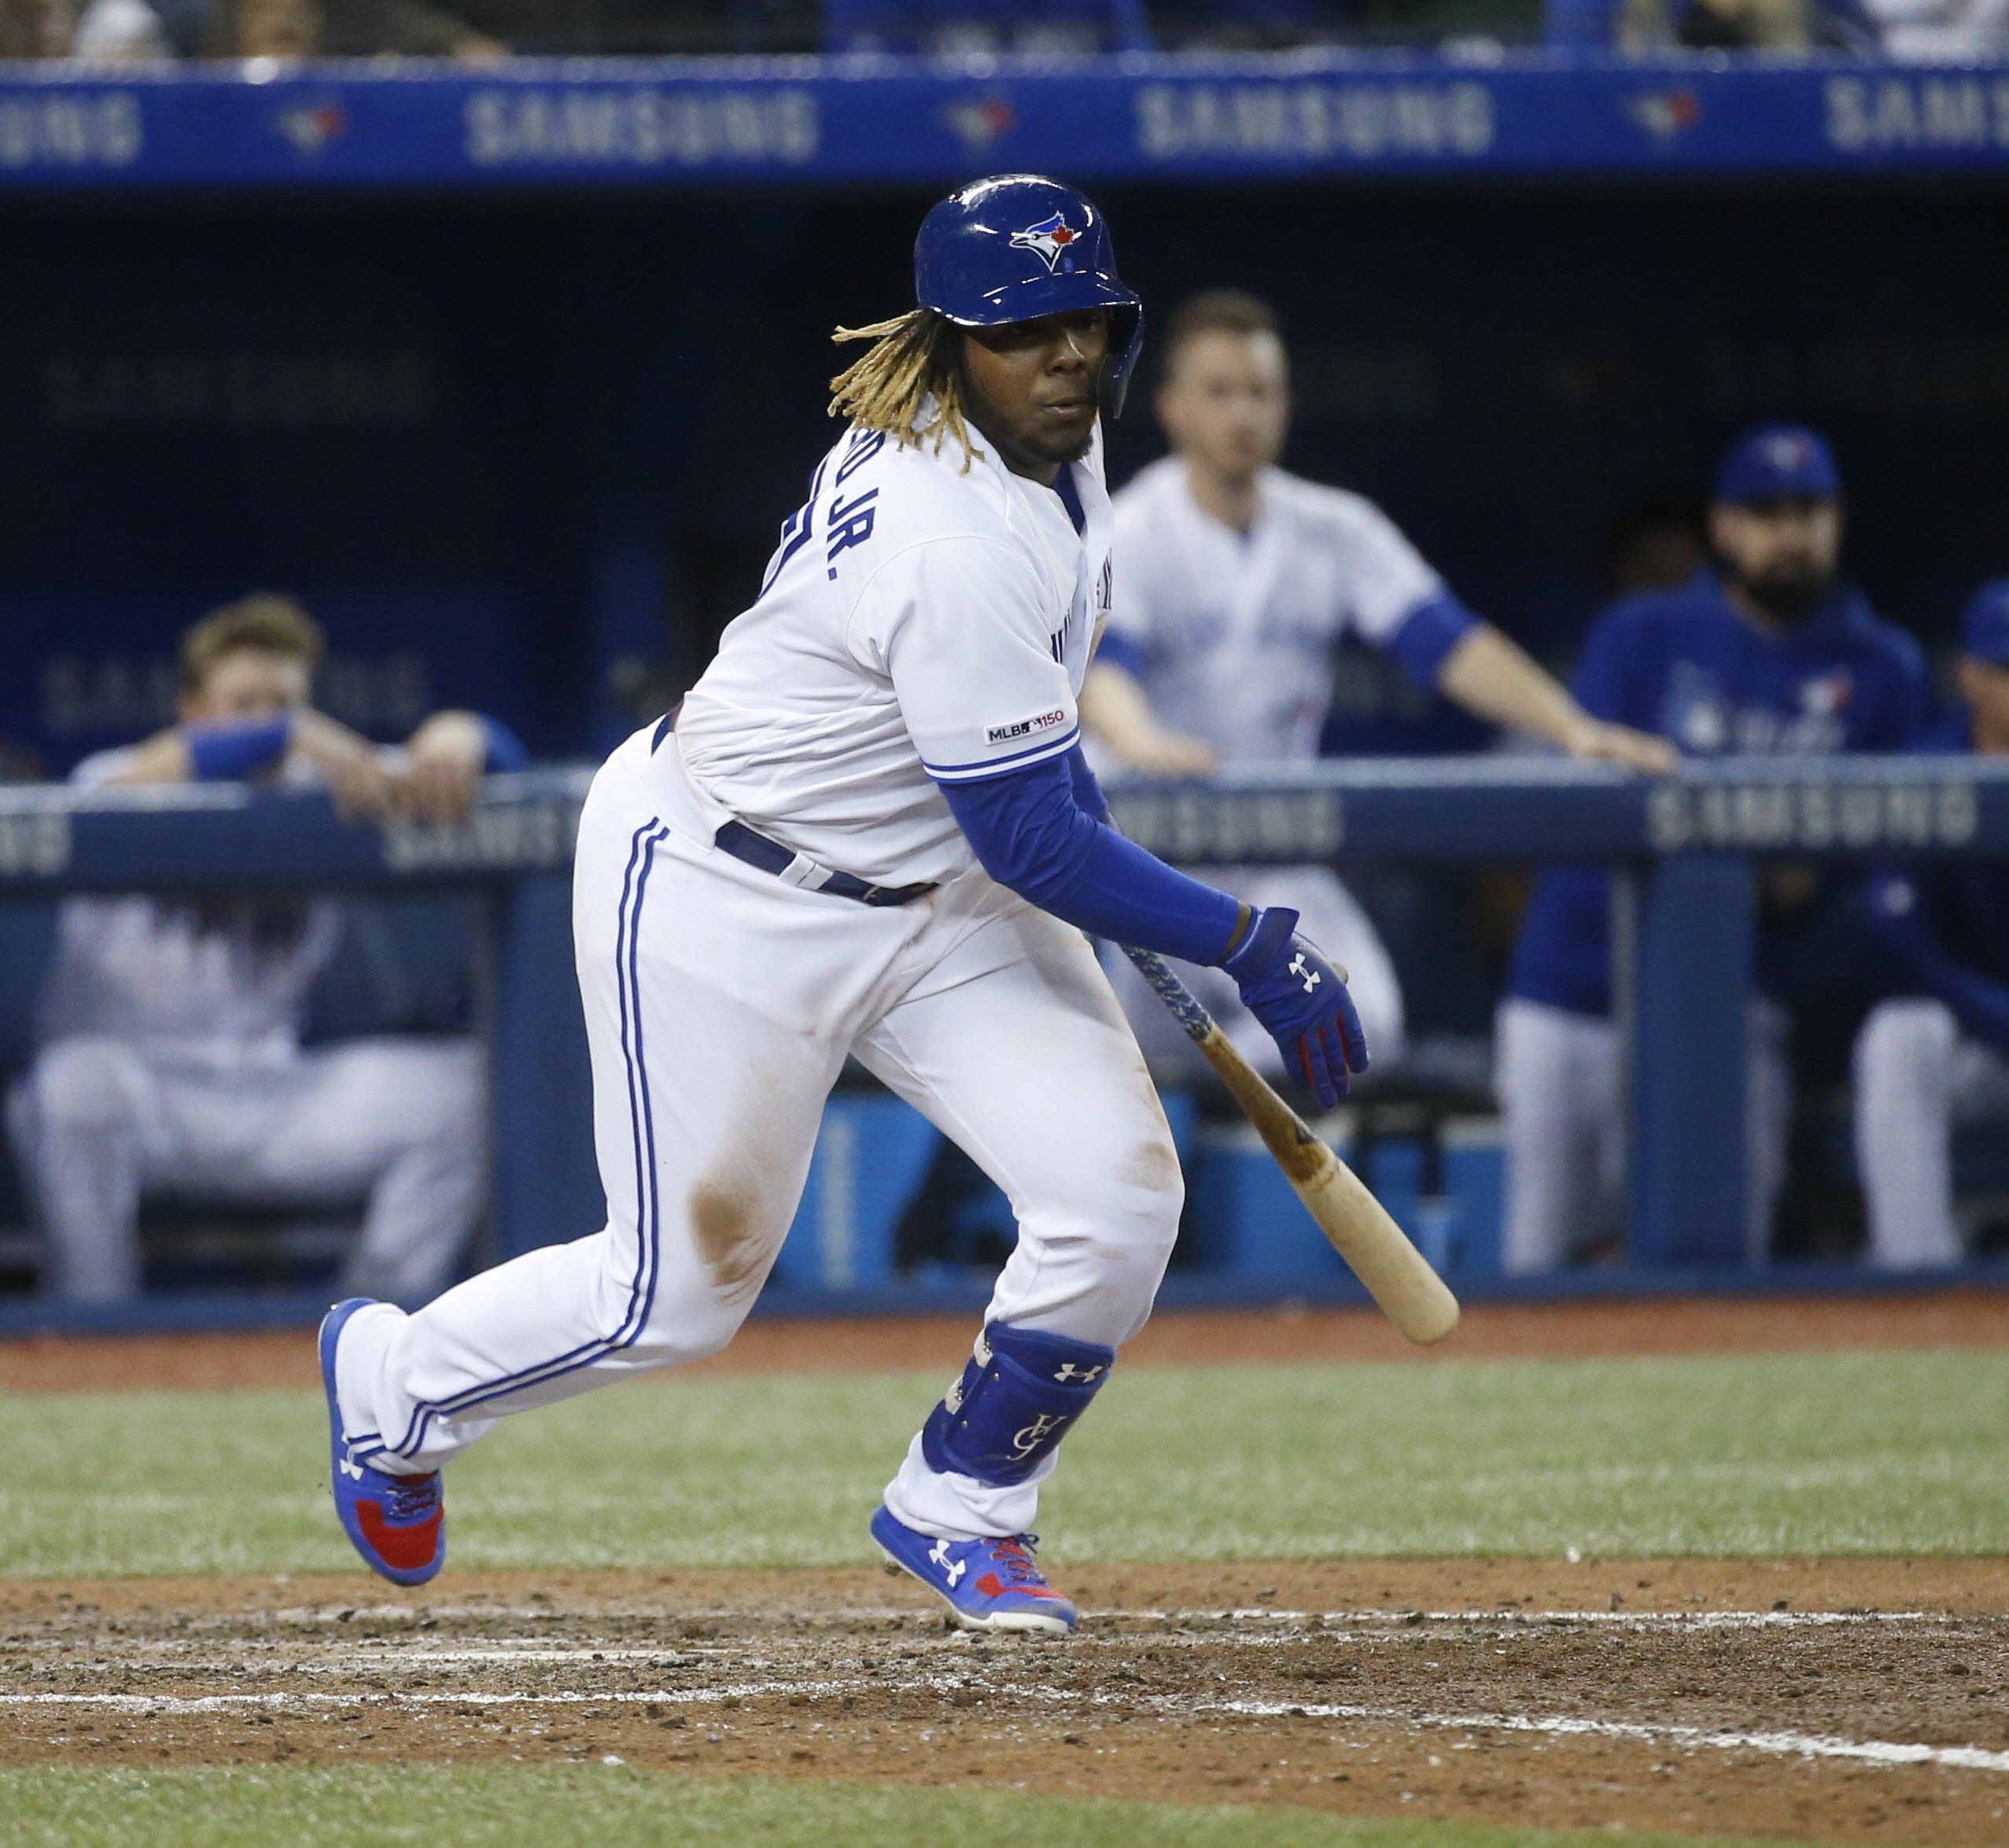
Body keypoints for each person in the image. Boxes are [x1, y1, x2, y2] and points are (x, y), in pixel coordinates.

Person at [318, 175, 1368, 1629]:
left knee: (1116, 1199)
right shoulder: (944, 532)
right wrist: (1248, 940)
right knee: (676, 1293)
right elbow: (1032, 840)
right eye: (1021, 331)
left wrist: (1149, 884)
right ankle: (395, 1385)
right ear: (944, 343)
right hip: (724, 884)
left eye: (1086, 322)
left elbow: (1038, 776)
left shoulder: (1058, 437)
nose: (1065, 356)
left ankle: (963, 1497)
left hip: (937, 886)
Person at [1080, 288, 1673, 1080]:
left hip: (1270, 842)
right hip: (1153, 844)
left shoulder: (1334, 528)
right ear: (1173, 407)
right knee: (1128, 1067)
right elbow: (1101, 667)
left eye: (1260, 392)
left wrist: (1571, 729)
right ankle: (1193, 1161)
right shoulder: (1131, 526)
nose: (1242, 414)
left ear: (1285, 404)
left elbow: (1444, 640)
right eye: (1219, 393)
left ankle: (1230, 1140)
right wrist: (1139, 739)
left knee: (1360, 1025)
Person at [1498, 426, 1928, 1272]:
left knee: (1726, 1257)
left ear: (1836, 521)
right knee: (1537, 1254)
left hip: (1733, 998)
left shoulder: (1884, 664)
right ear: (1723, 528)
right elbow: (1586, 801)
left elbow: (1901, 850)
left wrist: (1814, 872)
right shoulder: (1641, 632)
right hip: (1572, 982)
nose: (1787, 532)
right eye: (1764, 513)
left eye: (1807, 510)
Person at [8, 593, 517, 1305]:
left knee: (464, 1089)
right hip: (139, 1096)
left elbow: (496, 752)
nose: (266, 720)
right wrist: (289, 729)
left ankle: (370, 1321)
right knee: (67, 1085)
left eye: (283, 700)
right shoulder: (122, 773)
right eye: (241, 701)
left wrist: (455, 739)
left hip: (271, 1093)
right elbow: (149, 781)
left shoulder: (332, 782)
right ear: (192, 707)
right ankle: (94, 1327)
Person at [1853, 580, 2009, 1268]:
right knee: (1899, 1038)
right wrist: (1996, 1012)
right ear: (1969, 674)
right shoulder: (1927, 768)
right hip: (1978, 1030)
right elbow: (1903, 944)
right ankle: (1918, 1277)